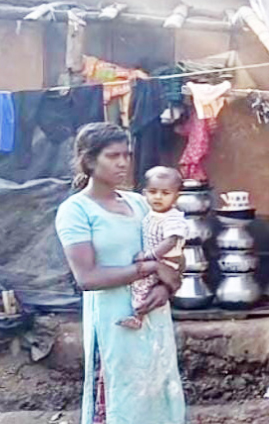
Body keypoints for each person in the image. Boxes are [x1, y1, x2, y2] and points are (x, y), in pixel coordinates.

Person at [54, 122, 186, 424]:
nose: (123, 162)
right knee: (118, 399)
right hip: (112, 324)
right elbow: (87, 278)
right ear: (89, 161)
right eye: (113, 156)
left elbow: (175, 255)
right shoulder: (76, 211)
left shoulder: (141, 204)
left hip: (153, 319)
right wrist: (150, 267)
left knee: (157, 394)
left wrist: (165, 288)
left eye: (127, 154)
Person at [117, 166, 186, 330]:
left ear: (176, 196)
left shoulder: (173, 217)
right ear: (145, 193)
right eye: (153, 192)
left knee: (143, 285)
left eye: (165, 193)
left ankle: (138, 316)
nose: (158, 197)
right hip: (156, 258)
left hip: (167, 261)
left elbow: (170, 241)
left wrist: (150, 256)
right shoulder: (151, 213)